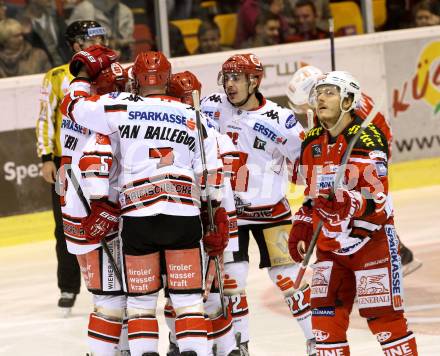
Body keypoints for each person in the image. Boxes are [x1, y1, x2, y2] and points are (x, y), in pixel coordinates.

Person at [61, 47, 229, 356]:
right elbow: (210, 174)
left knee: (139, 303)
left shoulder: (120, 106)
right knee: (188, 300)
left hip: (138, 218)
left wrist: (82, 77)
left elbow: (70, 106)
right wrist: (213, 216)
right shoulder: (192, 115)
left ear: (135, 81)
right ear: (167, 80)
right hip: (183, 216)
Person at [288, 70, 418, 355]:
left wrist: (350, 203)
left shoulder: (368, 138)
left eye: (330, 92)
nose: (321, 97)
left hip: (370, 244)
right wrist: (303, 223)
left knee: (385, 322)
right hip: (330, 249)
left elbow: (378, 200)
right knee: (324, 326)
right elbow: (312, 197)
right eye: (319, 92)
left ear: (348, 101)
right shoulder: (311, 142)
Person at [201, 54, 316, 356]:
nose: (229, 84)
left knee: (289, 279)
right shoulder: (211, 106)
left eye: (236, 78)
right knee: (232, 282)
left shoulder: (280, 120)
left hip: (271, 211)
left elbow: (306, 161)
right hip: (228, 212)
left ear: (254, 81)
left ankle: (316, 340)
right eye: (226, 77)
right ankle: (239, 346)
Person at [286, 65, 423, 277]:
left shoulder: (338, 107)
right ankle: (397, 255)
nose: (305, 111)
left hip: (370, 148)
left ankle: (384, 259)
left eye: (304, 106)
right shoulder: (338, 96)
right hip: (372, 141)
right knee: (349, 203)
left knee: (363, 203)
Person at [35, 20, 108, 315]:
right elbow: (44, 119)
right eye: (94, 38)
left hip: (104, 163)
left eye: (102, 37)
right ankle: (68, 286)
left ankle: (110, 285)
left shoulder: (109, 74)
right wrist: (45, 158)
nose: (101, 42)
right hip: (66, 165)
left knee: (110, 222)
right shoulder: (55, 78)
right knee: (65, 227)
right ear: (76, 45)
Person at [166, 70, 240, 356]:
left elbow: (228, 185)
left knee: (195, 293)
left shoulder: (209, 133)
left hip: (204, 223)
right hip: (194, 223)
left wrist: (221, 224)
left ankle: (225, 347)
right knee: (190, 293)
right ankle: (207, 346)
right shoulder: (203, 131)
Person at [58, 60, 130, 354]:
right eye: (119, 89)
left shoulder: (75, 109)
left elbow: (73, 99)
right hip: (100, 218)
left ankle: (121, 350)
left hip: (76, 220)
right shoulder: (104, 117)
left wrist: (82, 76)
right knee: (112, 299)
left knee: (109, 297)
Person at [17, 0, 71, 67]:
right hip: (40, 70)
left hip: (66, 66)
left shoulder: (55, 16)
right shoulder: (19, 22)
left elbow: (68, 40)